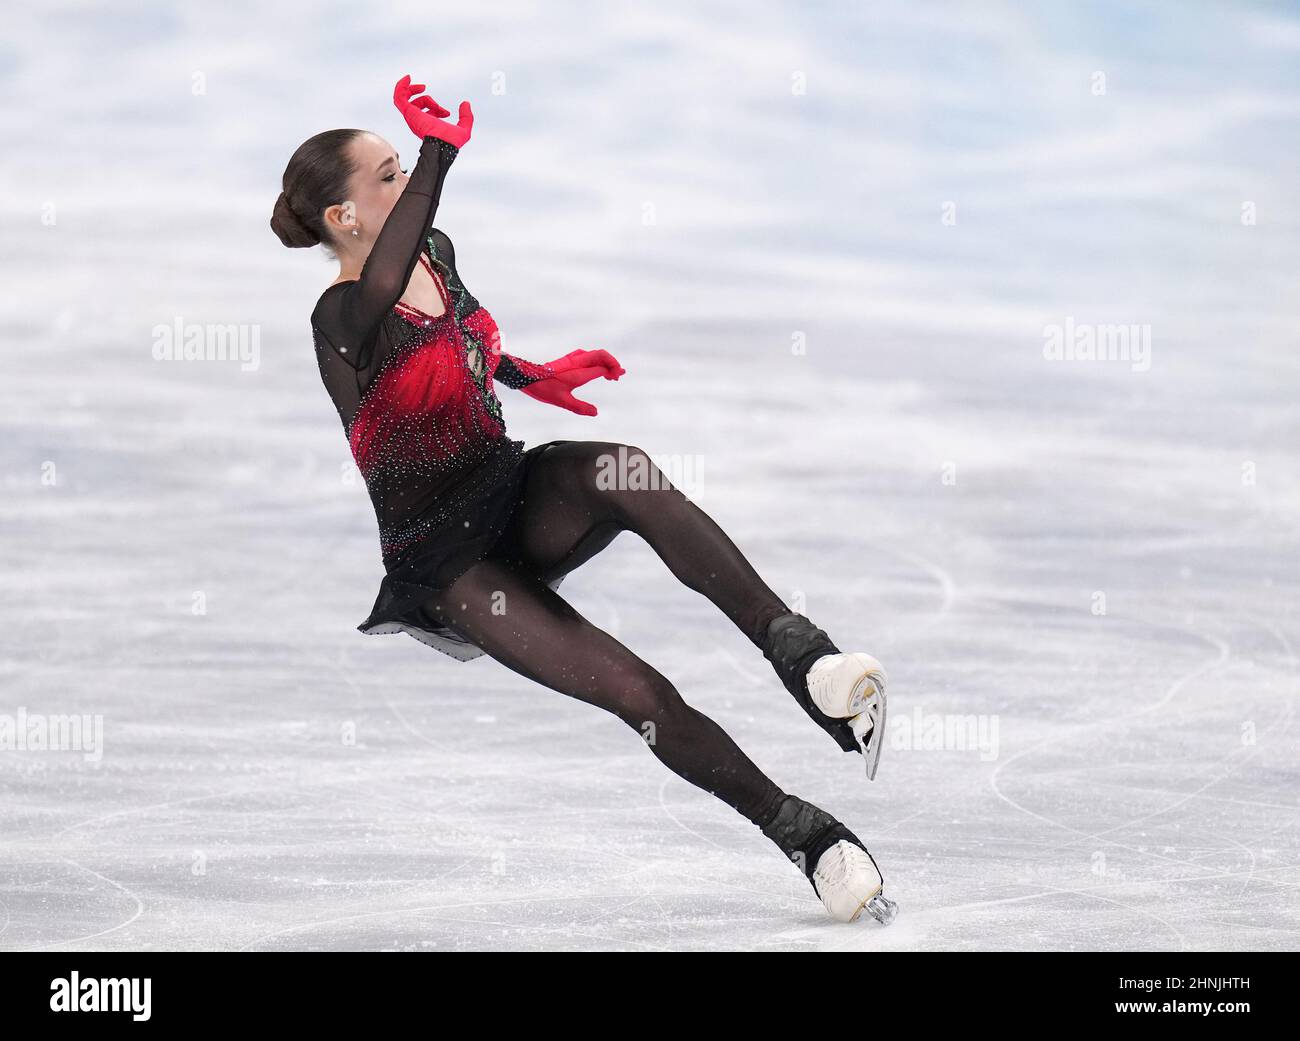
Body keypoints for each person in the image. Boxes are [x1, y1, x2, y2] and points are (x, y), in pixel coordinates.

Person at [269, 75, 896, 925]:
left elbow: (467, 345)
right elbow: (382, 292)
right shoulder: (339, 315)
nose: (403, 184)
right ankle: (810, 840)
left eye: (401, 169)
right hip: (452, 561)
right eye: (385, 175)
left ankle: (807, 660)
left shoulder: (435, 252)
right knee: (643, 694)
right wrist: (437, 154)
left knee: (622, 469)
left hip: (508, 487)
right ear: (343, 217)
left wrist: (538, 375)